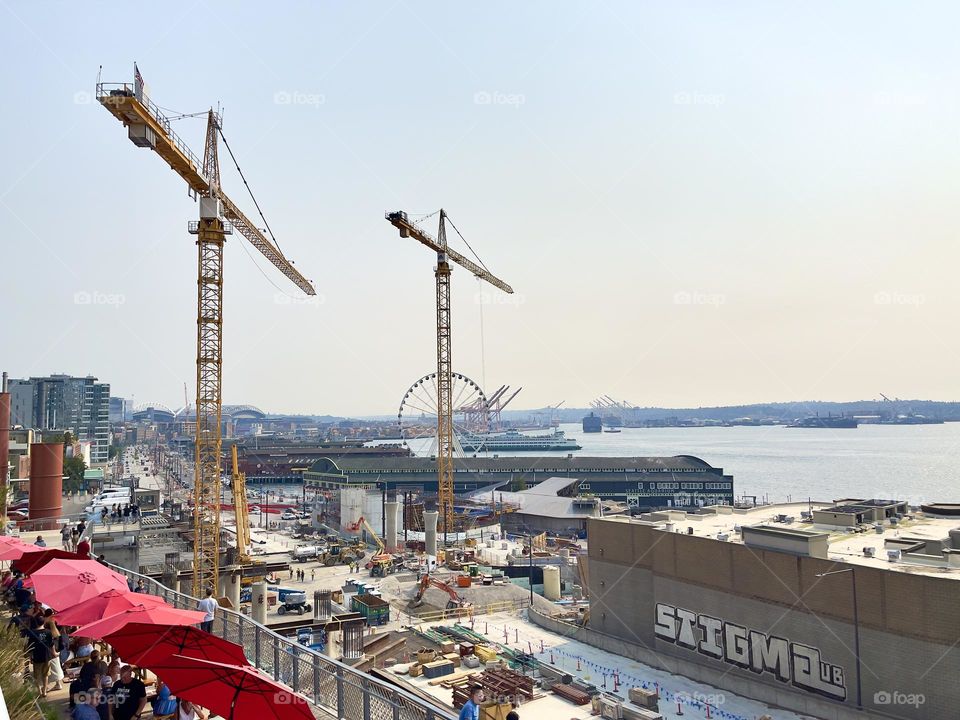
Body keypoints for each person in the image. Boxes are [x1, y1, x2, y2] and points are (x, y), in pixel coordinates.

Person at [26, 615, 55, 696]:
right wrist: (54, 653)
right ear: (44, 622)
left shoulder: (32, 633)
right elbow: (52, 644)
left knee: (36, 676)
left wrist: (30, 657)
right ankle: (44, 691)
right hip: (47, 656)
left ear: (36, 623)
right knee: (45, 675)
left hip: (37, 657)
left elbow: (30, 647)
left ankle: (39, 690)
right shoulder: (48, 632)